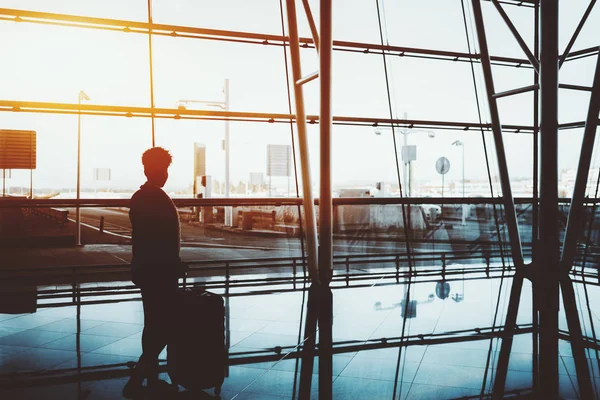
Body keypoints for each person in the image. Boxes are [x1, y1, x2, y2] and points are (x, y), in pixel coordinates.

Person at [123, 147, 184, 398]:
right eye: (163, 170)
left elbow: (145, 237)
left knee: (154, 321)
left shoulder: (141, 197)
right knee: (166, 322)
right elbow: (160, 238)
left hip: (149, 268)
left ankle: (146, 370)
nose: (165, 175)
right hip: (160, 270)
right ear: (150, 171)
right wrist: (173, 262)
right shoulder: (156, 198)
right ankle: (142, 369)